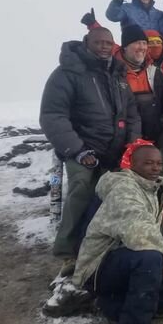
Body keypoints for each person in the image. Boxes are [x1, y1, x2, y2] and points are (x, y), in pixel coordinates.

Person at [71, 145, 163, 324]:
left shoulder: (155, 187)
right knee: (151, 258)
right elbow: (138, 231)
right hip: (101, 264)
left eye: (158, 163)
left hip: (128, 258)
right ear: (133, 164)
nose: (155, 168)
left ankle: (117, 309)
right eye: (148, 163)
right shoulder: (124, 188)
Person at [40, 26, 140, 276]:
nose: (105, 46)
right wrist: (77, 150)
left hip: (115, 150)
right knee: (82, 188)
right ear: (87, 42)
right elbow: (53, 116)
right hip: (82, 149)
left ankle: (110, 244)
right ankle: (68, 251)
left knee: (122, 191)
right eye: (99, 42)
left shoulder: (117, 74)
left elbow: (131, 114)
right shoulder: (67, 73)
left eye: (109, 42)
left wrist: (132, 145)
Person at [115, 24, 163, 144]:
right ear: (125, 46)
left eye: (144, 43)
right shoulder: (113, 73)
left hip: (154, 139)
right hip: (123, 141)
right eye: (137, 42)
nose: (142, 47)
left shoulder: (154, 72)